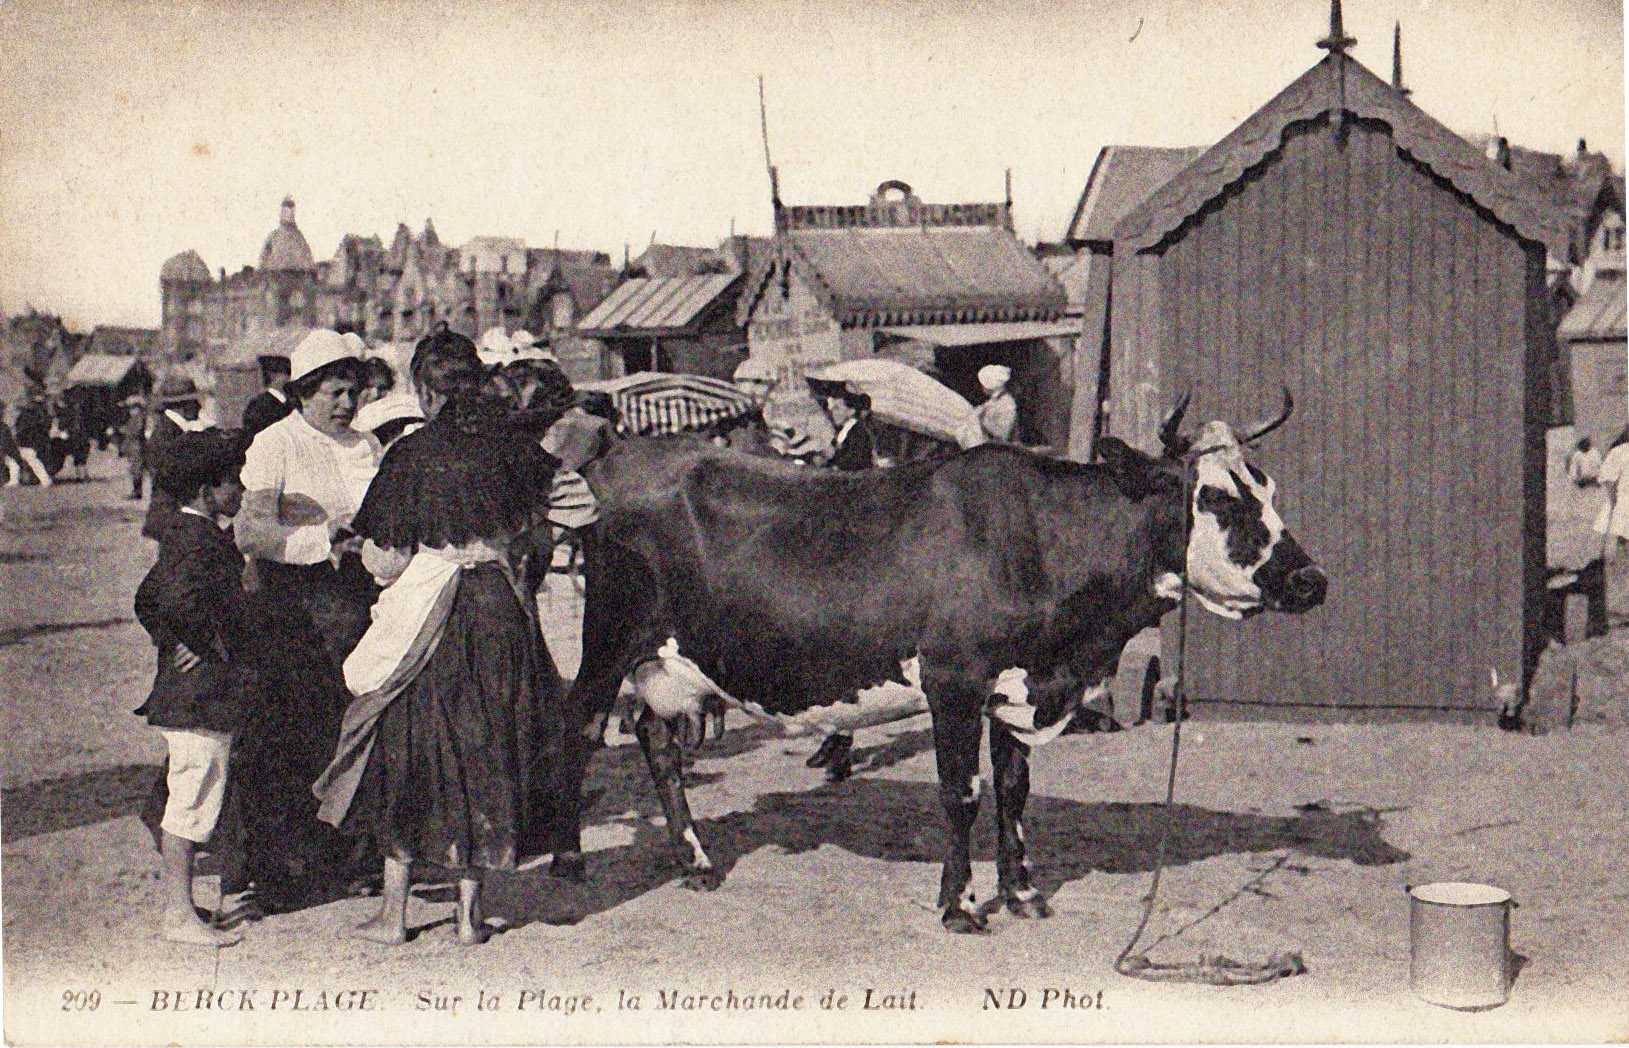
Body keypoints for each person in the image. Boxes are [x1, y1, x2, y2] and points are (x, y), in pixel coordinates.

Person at [313, 326, 564, 946]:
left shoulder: (411, 455)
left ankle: (393, 916)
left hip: (433, 617)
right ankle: (469, 917)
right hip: (498, 611)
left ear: (425, 390)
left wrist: (366, 555)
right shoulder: (514, 447)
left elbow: (388, 558)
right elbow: (558, 515)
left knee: (410, 752)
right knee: (484, 749)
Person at [232, 328, 382, 909]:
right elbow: (251, 532)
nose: (347, 404)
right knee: (293, 732)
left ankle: (351, 856)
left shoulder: (367, 445)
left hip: (358, 601)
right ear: (303, 391)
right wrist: (322, 541)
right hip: (293, 607)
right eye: (334, 393)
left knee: (354, 726)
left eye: (354, 392)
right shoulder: (276, 444)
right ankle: (282, 868)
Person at [132, 430, 256, 946]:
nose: (242, 489)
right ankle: (178, 915)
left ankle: (180, 906)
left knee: (191, 793)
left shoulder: (186, 531)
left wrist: (176, 640)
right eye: (234, 482)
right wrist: (206, 644)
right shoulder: (197, 539)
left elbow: (147, 599)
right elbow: (172, 602)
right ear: (208, 491)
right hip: (200, 696)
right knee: (192, 800)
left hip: (196, 694)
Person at [141, 377, 209, 539]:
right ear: (183, 405)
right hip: (171, 516)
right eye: (194, 402)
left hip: (173, 516)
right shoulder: (167, 435)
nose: (199, 407)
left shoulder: (170, 430)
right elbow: (175, 478)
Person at [1594, 428, 1629, 558]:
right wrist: (1614, 500)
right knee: (1621, 538)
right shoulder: (1620, 452)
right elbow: (1608, 480)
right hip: (1623, 501)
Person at [823, 388, 877, 471]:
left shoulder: (859, 432)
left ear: (851, 411)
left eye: (837, 408)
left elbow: (856, 461)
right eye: (831, 408)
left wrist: (834, 466)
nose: (832, 412)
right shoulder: (844, 430)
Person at [241, 355, 294, 438]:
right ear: (274, 376)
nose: (290, 379)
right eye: (286, 375)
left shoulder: (290, 402)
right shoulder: (258, 406)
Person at [975, 364, 1018, 443]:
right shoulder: (992, 401)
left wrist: (980, 419)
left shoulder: (1007, 403)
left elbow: (1001, 433)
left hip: (995, 447)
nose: (982, 386)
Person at [119, 397, 148, 499]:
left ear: (138, 409)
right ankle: (136, 491)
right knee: (134, 469)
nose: (131, 411)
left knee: (137, 469)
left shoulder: (139, 419)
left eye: (133, 408)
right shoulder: (134, 419)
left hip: (137, 447)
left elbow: (136, 432)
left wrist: (126, 431)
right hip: (132, 447)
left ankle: (137, 492)